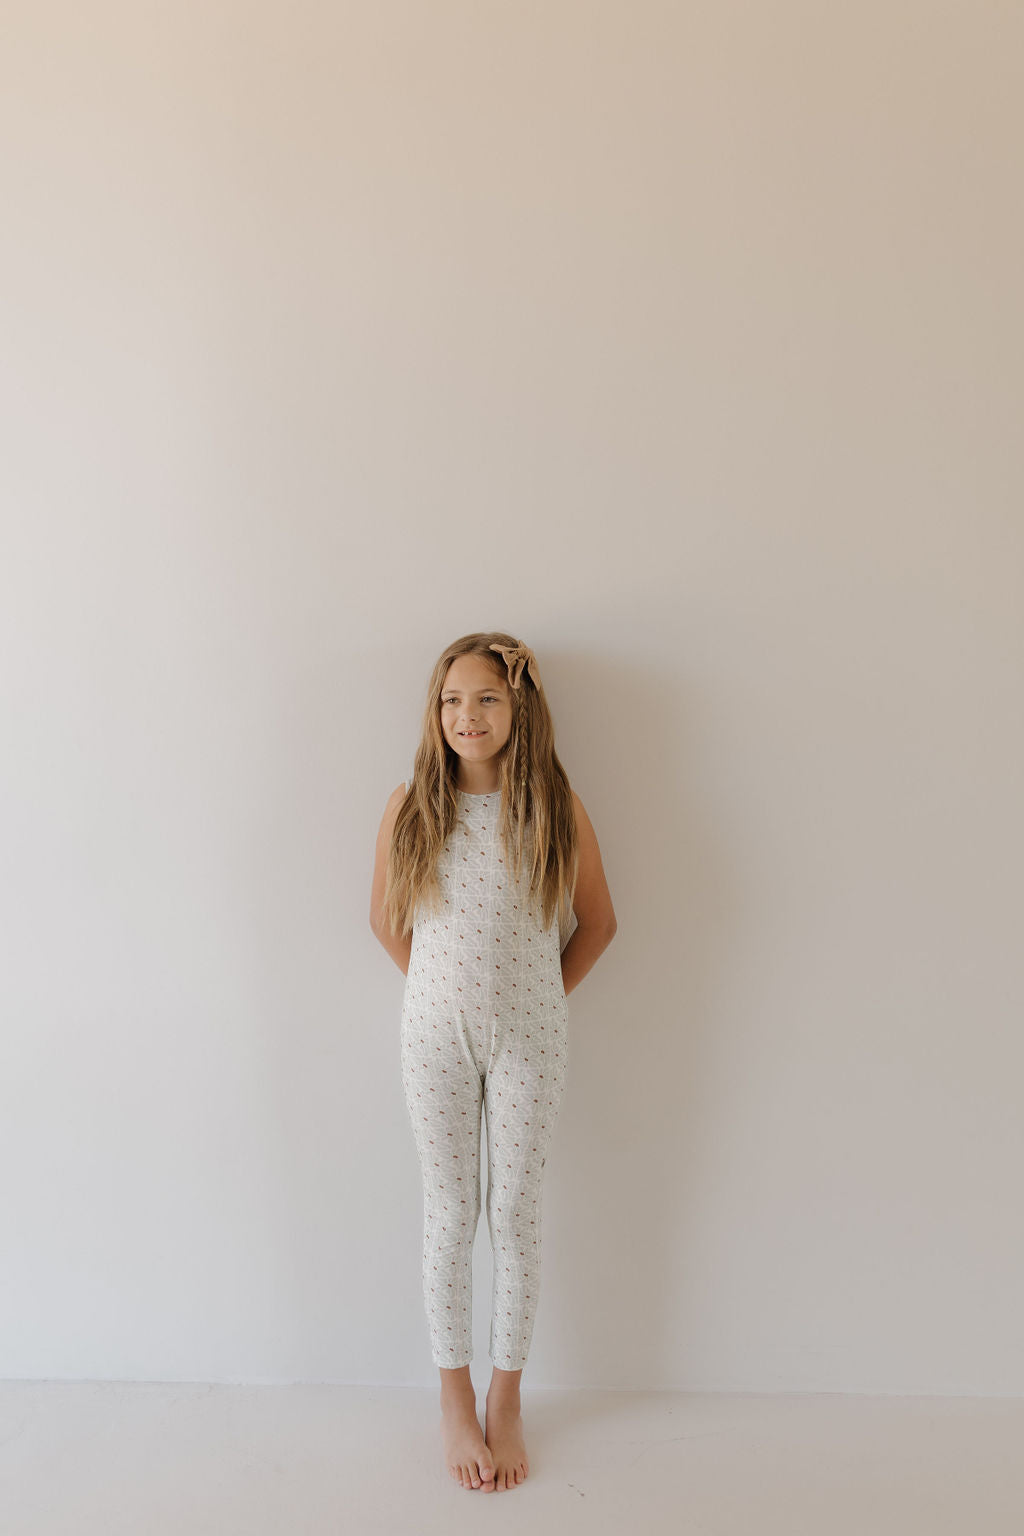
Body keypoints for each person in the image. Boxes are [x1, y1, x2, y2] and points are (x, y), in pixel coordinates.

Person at [369, 631, 617, 1492]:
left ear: (519, 709)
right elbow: (386, 922)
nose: (466, 716)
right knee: (449, 1212)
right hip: (434, 1039)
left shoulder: (551, 805)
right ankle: (453, 1399)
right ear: (433, 713)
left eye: (487, 698)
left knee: (512, 1213)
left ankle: (505, 1400)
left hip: (530, 1040)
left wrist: (536, 999)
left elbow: (598, 923)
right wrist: (443, 995)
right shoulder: (412, 806)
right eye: (451, 700)